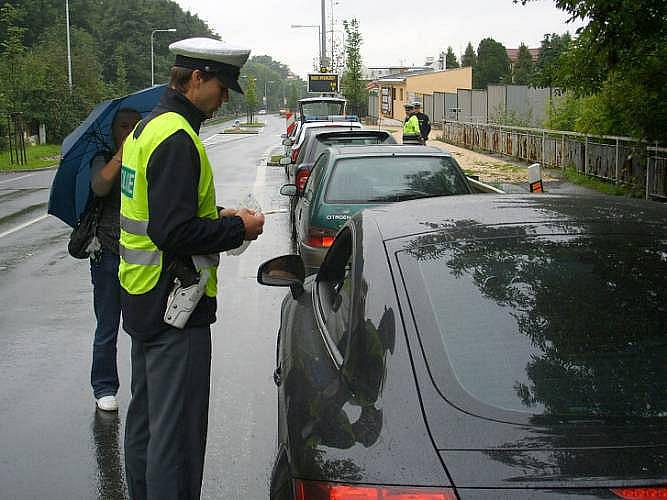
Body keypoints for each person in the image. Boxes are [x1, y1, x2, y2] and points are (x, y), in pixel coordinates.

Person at [119, 37, 265, 500]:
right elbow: (173, 232)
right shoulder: (178, 139)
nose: (225, 98)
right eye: (222, 87)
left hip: (141, 298)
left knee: (145, 424)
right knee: (175, 438)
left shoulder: (147, 129)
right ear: (197, 79)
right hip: (174, 307)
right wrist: (238, 229)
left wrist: (216, 216)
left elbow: (161, 215)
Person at [89, 107, 142, 412]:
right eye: (125, 126)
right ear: (113, 131)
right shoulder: (104, 157)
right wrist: (121, 154)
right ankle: (104, 386)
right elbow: (99, 186)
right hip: (108, 255)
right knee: (107, 327)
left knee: (142, 326)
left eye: (137, 127)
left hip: (140, 259)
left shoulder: (148, 157)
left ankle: (143, 387)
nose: (130, 131)